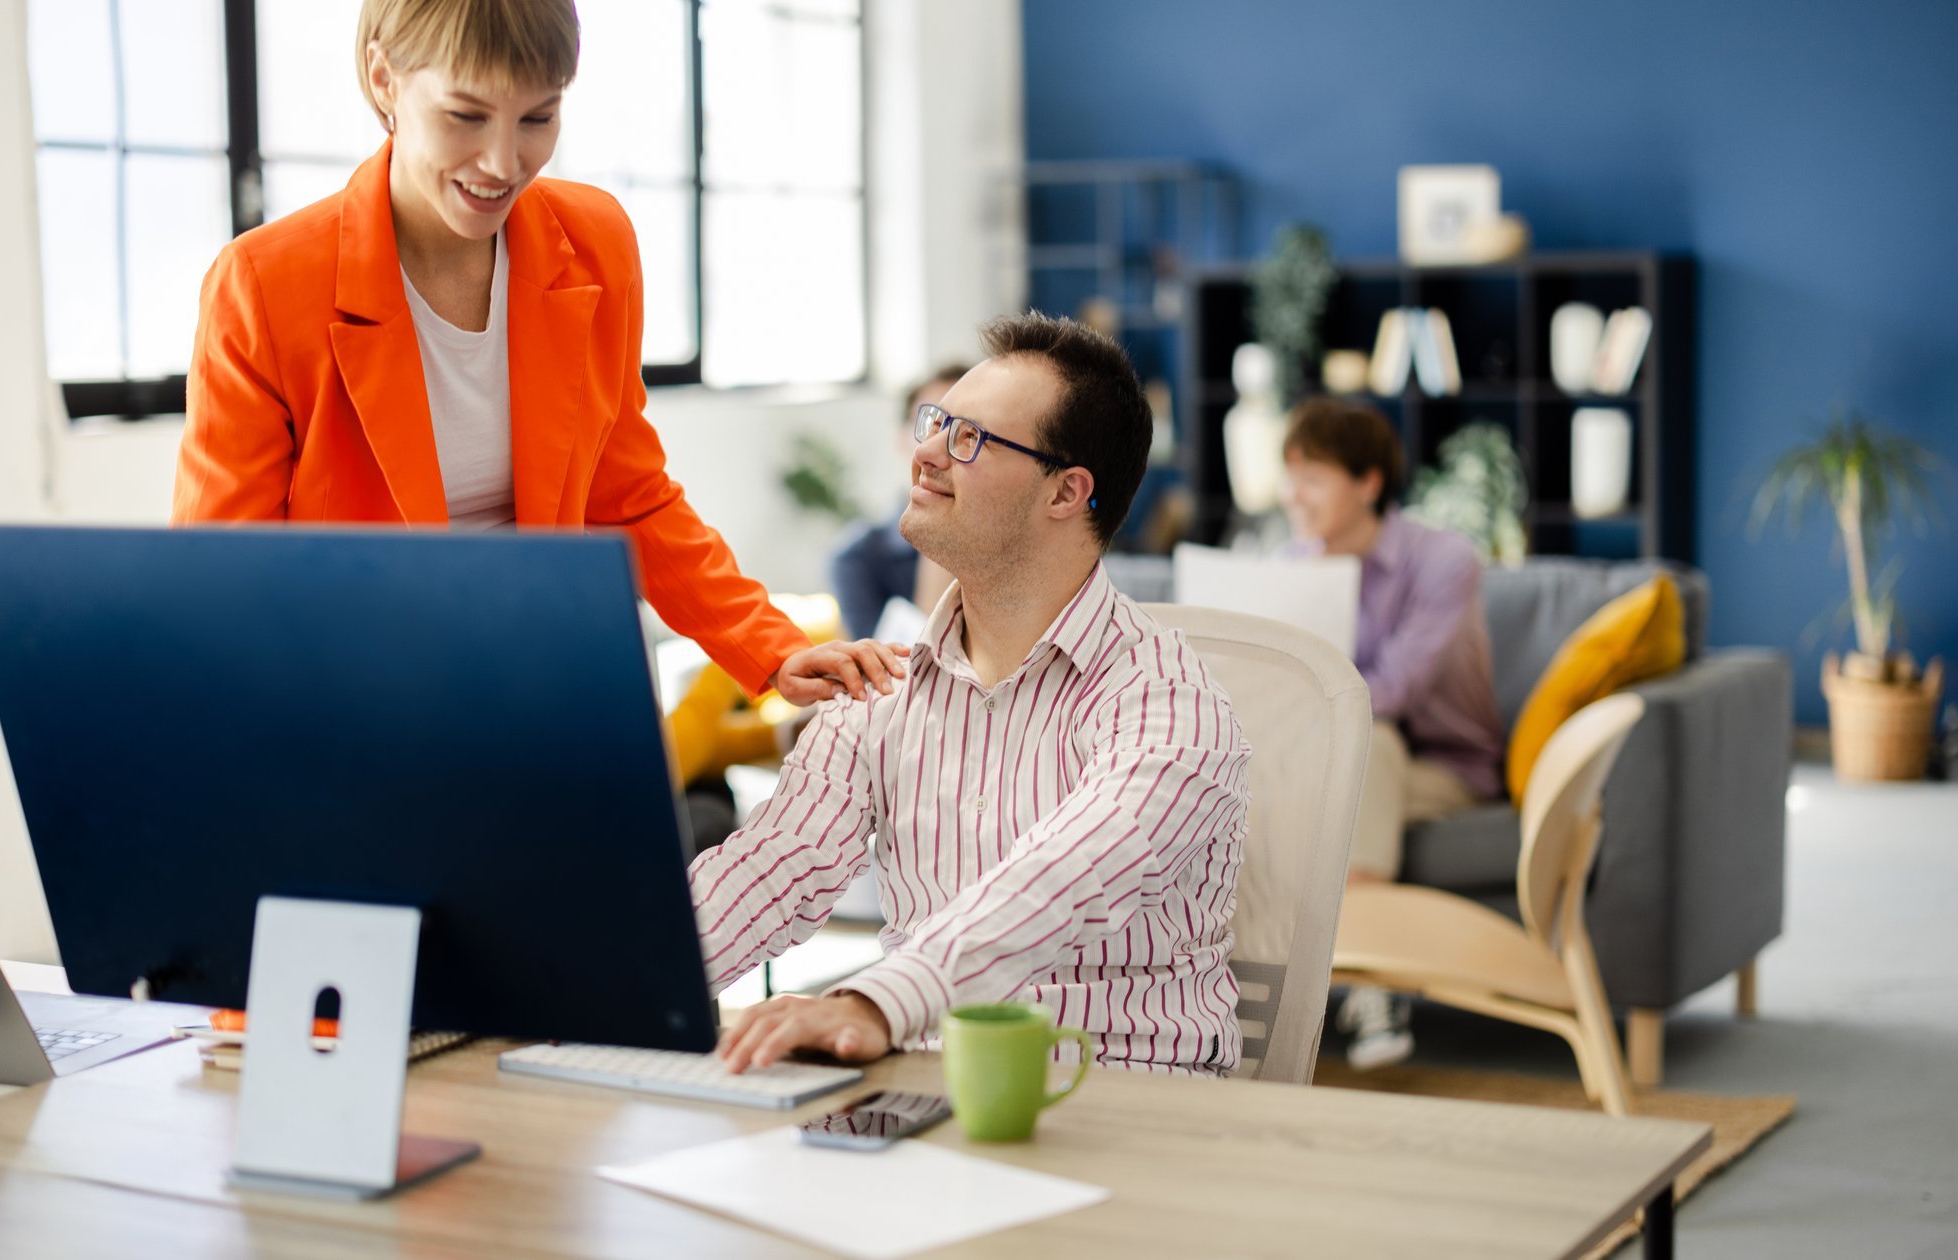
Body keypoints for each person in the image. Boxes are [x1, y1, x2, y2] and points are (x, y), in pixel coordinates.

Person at [173, 0, 896, 706]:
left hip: (540, 679)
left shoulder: (595, 242)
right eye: (466, 116)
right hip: (349, 695)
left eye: (538, 118)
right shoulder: (266, 284)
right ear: (384, 79)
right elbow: (224, 579)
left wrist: (772, 646)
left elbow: (628, 498)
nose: (502, 162)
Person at [691, 313, 1253, 1077]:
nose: (924, 454)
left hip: (1124, 1094)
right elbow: (774, 868)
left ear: (1066, 492)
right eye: (936, 424)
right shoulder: (878, 689)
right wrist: (610, 981)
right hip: (918, 1085)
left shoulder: (1169, 705)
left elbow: (1058, 885)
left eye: (969, 439)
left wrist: (870, 1002)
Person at [1276, 398, 1504, 1069]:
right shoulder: (1290, 563)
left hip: (1447, 765)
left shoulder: (1444, 562)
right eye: (1291, 477)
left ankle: (1367, 984)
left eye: (1313, 478)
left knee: (1370, 739)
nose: (1294, 497)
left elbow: (1393, 690)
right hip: (1332, 763)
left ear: (1369, 483)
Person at [829, 365, 969, 641]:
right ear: (901, 439)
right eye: (931, 425)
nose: (940, 447)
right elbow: (888, 677)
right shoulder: (858, 557)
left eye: (967, 432)